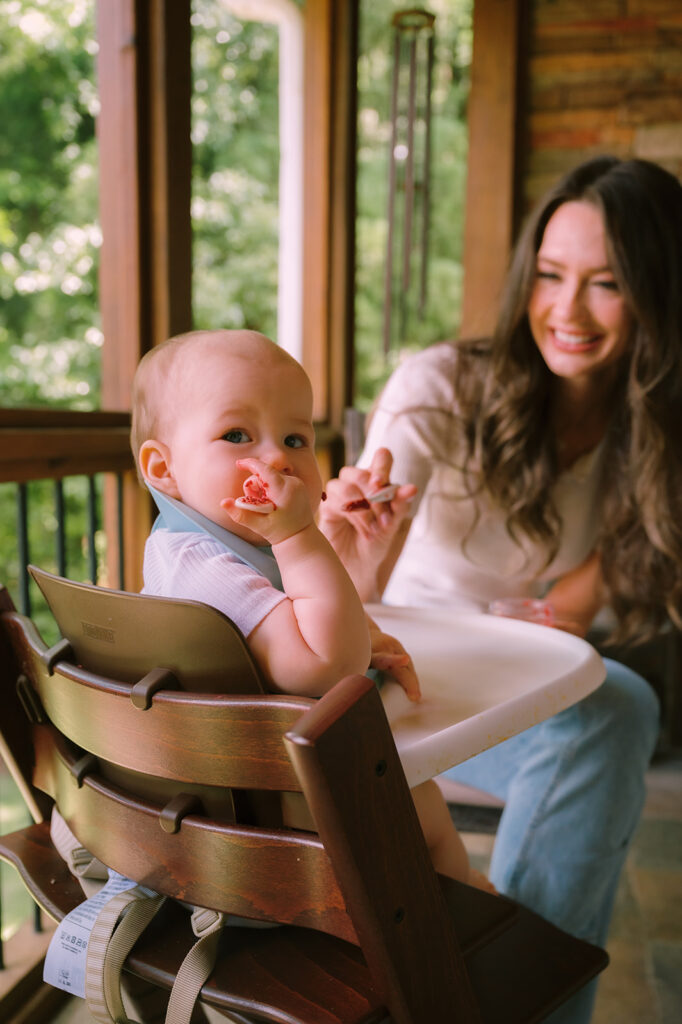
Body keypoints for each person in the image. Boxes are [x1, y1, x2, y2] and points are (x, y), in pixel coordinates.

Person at [320, 155, 682, 1022]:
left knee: (613, 709)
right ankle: (520, 995)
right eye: (551, 276)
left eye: (607, 284)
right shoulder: (442, 388)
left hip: (515, 662)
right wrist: (346, 544)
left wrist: (544, 627)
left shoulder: (653, 430)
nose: (567, 309)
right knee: (618, 711)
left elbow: (571, 610)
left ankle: (502, 993)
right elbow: (351, 579)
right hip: (403, 660)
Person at [130, 327, 493, 891]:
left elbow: (299, 629)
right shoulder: (195, 565)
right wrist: (301, 536)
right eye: (236, 434)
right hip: (256, 810)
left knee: (427, 804)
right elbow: (325, 665)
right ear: (163, 468)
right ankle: (450, 930)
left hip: (274, 775)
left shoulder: (222, 547)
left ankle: (451, 914)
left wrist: (353, 606)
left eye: (296, 439)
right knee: (423, 813)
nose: (276, 456)